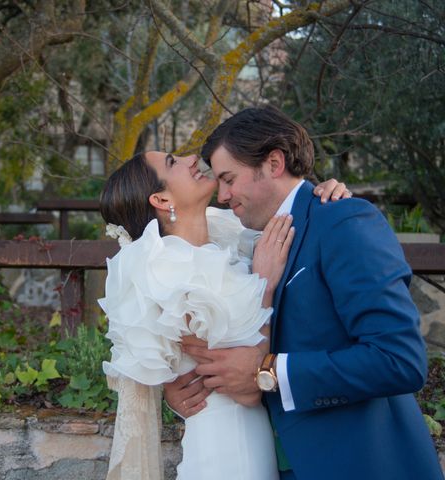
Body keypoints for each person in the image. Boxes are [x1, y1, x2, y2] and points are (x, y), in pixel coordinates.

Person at [165, 105, 444, 480]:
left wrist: (270, 371)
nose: (223, 195)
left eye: (229, 178)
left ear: (274, 162)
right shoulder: (243, 242)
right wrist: (179, 393)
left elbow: (399, 359)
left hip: (358, 464)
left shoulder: (343, 221)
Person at [98, 150, 349, 479]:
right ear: (160, 198)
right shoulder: (166, 273)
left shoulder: (229, 237)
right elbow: (247, 369)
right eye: (173, 161)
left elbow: (288, 210)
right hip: (227, 450)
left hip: (259, 439)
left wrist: (322, 194)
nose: (192, 158)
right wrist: (265, 284)